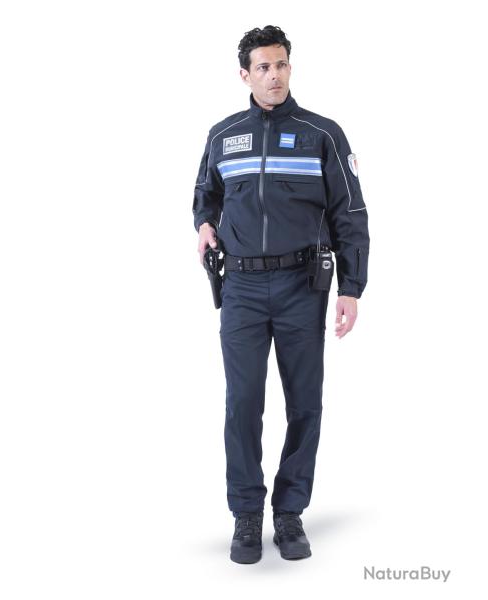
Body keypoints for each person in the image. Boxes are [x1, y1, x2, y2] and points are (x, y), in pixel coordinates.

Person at [192, 25, 370, 564]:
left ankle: (290, 512)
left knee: (304, 403)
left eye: (281, 64)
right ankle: (246, 515)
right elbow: (205, 194)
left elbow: (350, 213)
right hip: (242, 288)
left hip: (301, 286)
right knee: (242, 402)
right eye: (264, 67)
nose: (274, 75)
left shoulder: (322, 134)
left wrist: (351, 287)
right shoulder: (223, 135)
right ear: (244, 75)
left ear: (291, 67)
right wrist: (204, 224)